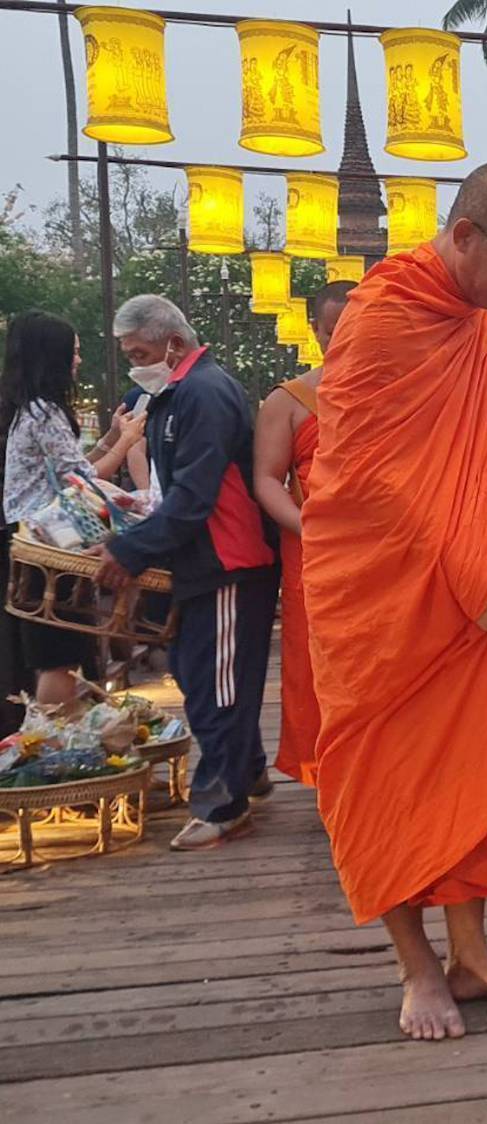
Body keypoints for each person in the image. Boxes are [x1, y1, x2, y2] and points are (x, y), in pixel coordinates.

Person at [301, 159, 487, 1042]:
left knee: (470, 775)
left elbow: (468, 467)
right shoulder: (381, 317)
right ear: (462, 236)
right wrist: (470, 581)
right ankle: (417, 969)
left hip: (464, 588)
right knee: (388, 778)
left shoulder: (470, 324)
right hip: (379, 595)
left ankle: (473, 954)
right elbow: (374, 482)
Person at [92, 295, 278, 852]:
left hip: (229, 559)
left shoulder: (204, 392)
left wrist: (131, 550)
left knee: (214, 685)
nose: (135, 363)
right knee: (203, 676)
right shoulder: (176, 392)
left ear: (172, 341)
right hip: (206, 558)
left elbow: (194, 496)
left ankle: (224, 805)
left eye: (141, 352)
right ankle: (245, 773)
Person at [2, 310, 148, 703]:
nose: (78, 361)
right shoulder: (45, 413)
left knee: (60, 655)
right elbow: (80, 482)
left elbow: (78, 468)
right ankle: (58, 751)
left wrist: (114, 437)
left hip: (35, 544)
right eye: (73, 353)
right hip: (48, 548)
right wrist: (127, 440)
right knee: (59, 657)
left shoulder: (27, 410)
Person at [252, 281, 356, 786]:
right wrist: (310, 528)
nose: (345, 342)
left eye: (355, 331)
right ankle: (328, 774)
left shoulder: (396, 394)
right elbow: (267, 481)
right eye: (335, 332)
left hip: (383, 553)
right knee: (316, 666)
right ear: (316, 332)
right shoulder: (288, 400)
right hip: (313, 553)